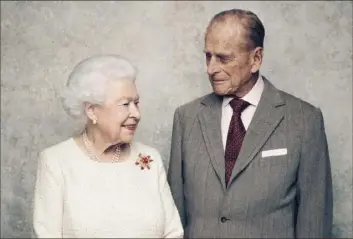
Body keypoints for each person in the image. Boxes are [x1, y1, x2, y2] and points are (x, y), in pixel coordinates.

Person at [167, 9, 332, 238]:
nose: (210, 68)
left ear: (256, 58)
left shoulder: (304, 120)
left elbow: (314, 223)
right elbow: (173, 219)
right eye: (208, 56)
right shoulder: (186, 118)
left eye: (223, 58)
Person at [32, 55, 183, 238]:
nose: (136, 113)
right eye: (125, 104)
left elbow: (173, 232)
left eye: (136, 103)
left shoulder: (149, 158)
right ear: (91, 110)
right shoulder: (56, 162)